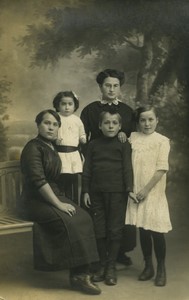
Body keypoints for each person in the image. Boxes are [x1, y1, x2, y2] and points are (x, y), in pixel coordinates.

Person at [20, 109, 101, 295]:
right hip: (33, 201)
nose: (51, 127)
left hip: (50, 197)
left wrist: (62, 199)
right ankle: (79, 277)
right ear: (38, 125)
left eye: (55, 124)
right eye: (46, 123)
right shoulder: (32, 148)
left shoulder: (50, 147)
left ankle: (84, 269)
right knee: (69, 220)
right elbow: (39, 182)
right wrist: (59, 204)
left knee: (84, 217)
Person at [80, 68, 136, 266]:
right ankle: (100, 258)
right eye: (107, 85)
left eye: (115, 86)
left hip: (119, 170)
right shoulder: (90, 110)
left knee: (119, 218)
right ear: (100, 87)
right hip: (97, 168)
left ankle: (118, 253)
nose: (111, 89)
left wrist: (126, 136)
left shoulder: (128, 111)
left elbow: (133, 140)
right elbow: (83, 139)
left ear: (120, 88)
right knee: (100, 220)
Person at [82, 110, 134, 286]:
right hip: (96, 193)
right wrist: (86, 191)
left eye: (114, 123)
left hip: (117, 193)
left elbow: (127, 168)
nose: (110, 126)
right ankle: (102, 266)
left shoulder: (124, 145)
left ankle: (111, 267)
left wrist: (129, 189)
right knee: (99, 229)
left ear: (120, 127)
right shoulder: (93, 145)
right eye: (106, 123)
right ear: (99, 126)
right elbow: (87, 169)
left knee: (114, 229)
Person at [125, 105, 172, 287]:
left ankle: (161, 268)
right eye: (143, 120)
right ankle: (148, 266)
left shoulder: (162, 141)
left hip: (153, 191)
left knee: (156, 231)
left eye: (150, 119)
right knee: (143, 229)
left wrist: (146, 190)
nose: (147, 123)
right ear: (138, 122)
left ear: (157, 120)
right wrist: (133, 189)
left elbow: (161, 168)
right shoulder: (133, 138)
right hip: (136, 191)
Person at [53, 91, 86, 204]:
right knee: (61, 176)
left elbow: (82, 132)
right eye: (63, 104)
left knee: (72, 177)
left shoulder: (76, 120)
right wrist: (55, 139)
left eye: (70, 104)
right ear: (58, 105)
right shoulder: (56, 118)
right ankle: (60, 197)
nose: (67, 107)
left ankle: (71, 200)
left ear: (75, 106)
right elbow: (51, 132)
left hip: (73, 153)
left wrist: (82, 138)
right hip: (60, 153)